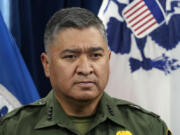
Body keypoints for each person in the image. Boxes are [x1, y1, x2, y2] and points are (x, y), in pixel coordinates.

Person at [0, 7, 172, 135]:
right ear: (47, 64)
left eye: (95, 55)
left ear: (108, 60)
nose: (85, 69)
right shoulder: (13, 129)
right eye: (70, 57)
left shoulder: (147, 128)